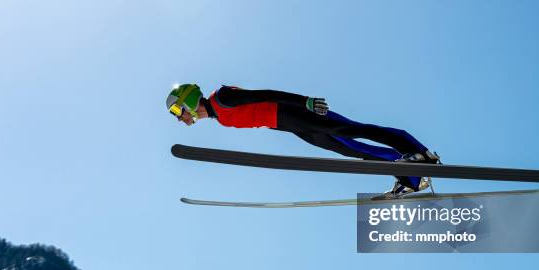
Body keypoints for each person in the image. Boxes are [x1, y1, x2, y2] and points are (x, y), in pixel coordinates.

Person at [166, 83, 440, 197]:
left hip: (293, 112)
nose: (180, 117)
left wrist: (305, 102)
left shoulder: (221, 97)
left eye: (178, 110)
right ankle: (409, 174)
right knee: (348, 149)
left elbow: (265, 94)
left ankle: (417, 151)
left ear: (188, 99)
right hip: (288, 123)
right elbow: (257, 116)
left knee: (350, 132)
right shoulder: (219, 116)